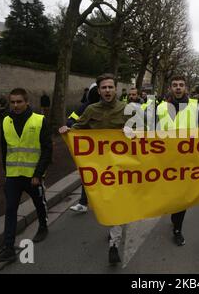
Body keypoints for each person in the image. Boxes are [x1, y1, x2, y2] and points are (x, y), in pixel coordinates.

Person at [59, 74, 130, 265]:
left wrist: (133, 132)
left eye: (110, 87)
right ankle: (113, 229)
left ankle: (114, 244)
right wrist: (69, 130)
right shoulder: (91, 110)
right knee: (108, 203)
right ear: (98, 91)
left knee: (118, 204)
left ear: (116, 89)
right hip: (101, 169)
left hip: (122, 166)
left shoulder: (128, 110)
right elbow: (79, 128)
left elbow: (144, 131)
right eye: (104, 88)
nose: (107, 91)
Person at [0, 88, 52, 263]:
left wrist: (38, 174)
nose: (16, 105)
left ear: (27, 102)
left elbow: (47, 149)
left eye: (19, 102)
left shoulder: (39, 120)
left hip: (33, 175)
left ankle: (43, 226)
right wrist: (6, 173)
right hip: (13, 175)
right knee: (10, 209)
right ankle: (8, 247)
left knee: (39, 203)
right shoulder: (5, 121)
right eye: (13, 102)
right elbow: (4, 149)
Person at [156, 75, 199, 247]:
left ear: (186, 88)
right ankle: (174, 214)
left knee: (183, 197)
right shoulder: (161, 107)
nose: (178, 88)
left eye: (181, 85)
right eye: (175, 85)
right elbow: (152, 132)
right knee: (172, 196)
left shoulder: (196, 106)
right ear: (170, 87)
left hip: (187, 160)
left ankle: (177, 229)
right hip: (167, 160)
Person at [67, 83, 101, 213]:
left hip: (108, 149)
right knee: (88, 174)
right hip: (90, 148)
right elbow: (70, 120)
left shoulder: (110, 108)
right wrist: (79, 125)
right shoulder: (85, 107)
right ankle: (83, 202)